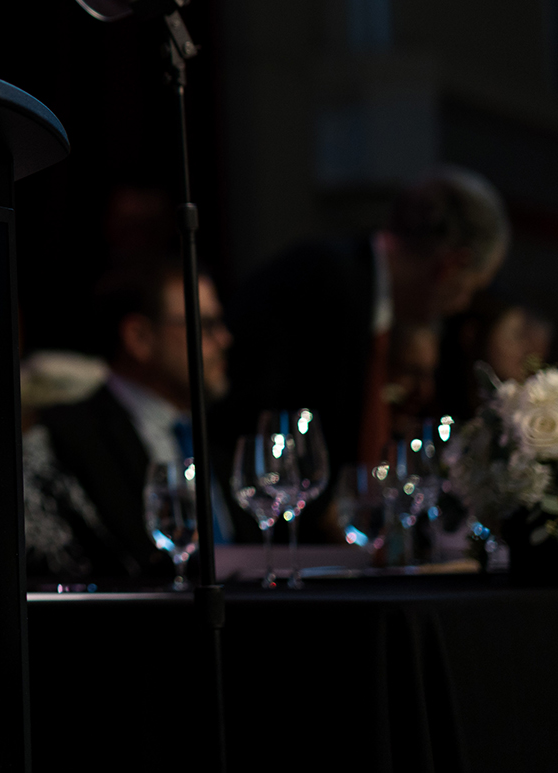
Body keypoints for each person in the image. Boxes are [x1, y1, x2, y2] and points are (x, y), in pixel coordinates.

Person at [222, 167, 510, 471]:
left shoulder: (360, 290)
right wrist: (323, 507)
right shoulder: (324, 280)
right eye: (471, 288)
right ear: (451, 266)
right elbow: (253, 417)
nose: (461, 304)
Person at [35, 259, 234, 582]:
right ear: (139, 337)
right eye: (205, 325)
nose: (224, 339)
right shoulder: (66, 441)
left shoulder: (221, 436)